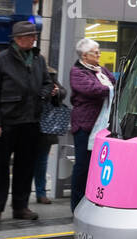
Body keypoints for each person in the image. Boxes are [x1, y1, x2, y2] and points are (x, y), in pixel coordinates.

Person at [0, 20, 56, 224]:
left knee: (25, 167)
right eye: (30, 36)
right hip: (6, 122)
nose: (34, 39)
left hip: (31, 121)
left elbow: (47, 82)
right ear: (18, 39)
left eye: (34, 36)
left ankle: (20, 206)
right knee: (0, 168)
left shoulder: (38, 59)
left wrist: (42, 95)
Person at [70, 38, 115, 210]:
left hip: (102, 126)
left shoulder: (100, 70)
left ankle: (92, 200)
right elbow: (92, 90)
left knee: (97, 166)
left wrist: (111, 87)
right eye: (95, 52)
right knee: (82, 165)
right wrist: (110, 88)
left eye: (98, 51)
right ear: (84, 55)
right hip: (85, 125)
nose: (99, 54)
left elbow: (114, 83)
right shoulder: (77, 72)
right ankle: (77, 204)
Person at [33, 68, 63, 206]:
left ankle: (41, 193)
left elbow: (63, 91)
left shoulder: (49, 74)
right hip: (27, 121)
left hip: (46, 123)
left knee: (42, 161)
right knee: (25, 162)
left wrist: (57, 92)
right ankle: (21, 195)